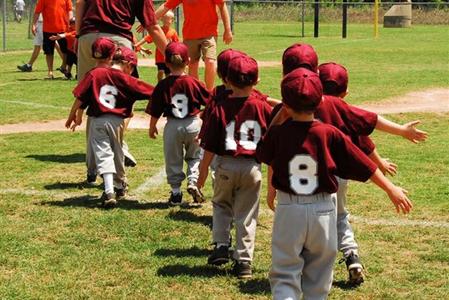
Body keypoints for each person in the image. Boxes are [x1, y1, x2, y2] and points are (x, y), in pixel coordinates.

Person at [256, 67, 413, 299]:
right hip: (323, 210)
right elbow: (364, 164)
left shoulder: (279, 133)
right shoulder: (329, 133)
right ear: (320, 100)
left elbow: (263, 153)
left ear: (285, 105)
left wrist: (281, 115)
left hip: (289, 208)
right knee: (319, 274)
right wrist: (391, 188)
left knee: (285, 271)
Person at [197, 55, 272, 279]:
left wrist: (201, 175)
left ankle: (221, 246)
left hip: (226, 166)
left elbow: (209, 147)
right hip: (252, 168)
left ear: (226, 80)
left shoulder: (220, 107)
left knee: (221, 205)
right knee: (247, 214)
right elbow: (272, 141)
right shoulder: (262, 107)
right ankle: (244, 262)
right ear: (257, 81)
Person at [65, 37, 154, 208]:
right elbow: (150, 91)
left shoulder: (93, 73)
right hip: (117, 122)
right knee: (117, 153)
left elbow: (79, 98)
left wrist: (72, 115)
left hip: (98, 121)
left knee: (103, 154)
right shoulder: (125, 78)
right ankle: (119, 185)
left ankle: (109, 189)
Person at [146, 42, 209, 205]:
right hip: (193, 124)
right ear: (187, 61)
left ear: (166, 63)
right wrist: (204, 116)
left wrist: (152, 126)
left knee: (173, 158)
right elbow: (210, 101)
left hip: (173, 125)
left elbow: (155, 109)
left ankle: (175, 192)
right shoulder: (194, 82)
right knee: (194, 156)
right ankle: (193, 182)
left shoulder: (163, 84)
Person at [75, 0, 167, 81]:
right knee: (122, 92)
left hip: (87, 37)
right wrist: (172, 57)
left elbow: (80, 3)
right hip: (117, 39)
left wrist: (78, 36)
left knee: (85, 92)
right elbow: (153, 27)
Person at [154, 0, 233, 90]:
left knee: (210, 61)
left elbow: (222, 6)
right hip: (190, 34)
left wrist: (228, 29)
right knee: (192, 64)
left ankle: (209, 94)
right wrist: (149, 21)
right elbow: (166, 6)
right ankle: (197, 92)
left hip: (209, 33)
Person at [32, 0, 73, 79]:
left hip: (63, 29)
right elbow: (37, 12)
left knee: (66, 50)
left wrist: (71, 22)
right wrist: (34, 24)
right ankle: (50, 72)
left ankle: (64, 66)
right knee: (49, 52)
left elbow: (70, 10)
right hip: (48, 29)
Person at [135, 10, 179, 82]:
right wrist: (137, 44)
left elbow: (177, 44)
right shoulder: (158, 31)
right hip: (160, 57)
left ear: (172, 20)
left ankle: (167, 88)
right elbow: (147, 38)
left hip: (169, 57)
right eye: (165, 18)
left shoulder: (173, 32)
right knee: (160, 72)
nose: (167, 21)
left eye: (169, 19)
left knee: (168, 74)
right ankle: (160, 85)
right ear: (161, 19)